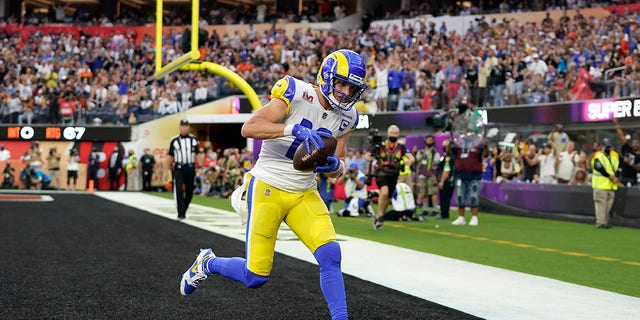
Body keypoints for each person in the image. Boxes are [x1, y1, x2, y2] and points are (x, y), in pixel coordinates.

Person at [178, 49, 367, 320]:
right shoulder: (296, 92)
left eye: (353, 88)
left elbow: (341, 157)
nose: (347, 92)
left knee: (330, 255)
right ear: (326, 77)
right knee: (255, 276)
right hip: (268, 185)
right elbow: (250, 127)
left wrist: (336, 166)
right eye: (342, 83)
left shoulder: (348, 116)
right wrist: (292, 129)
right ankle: (207, 263)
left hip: (304, 192)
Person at [366, 124, 415, 230]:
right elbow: (368, 155)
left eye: (396, 133)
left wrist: (406, 163)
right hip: (381, 173)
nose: (394, 135)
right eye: (392, 133)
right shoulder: (381, 146)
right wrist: (370, 157)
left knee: (388, 199)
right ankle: (379, 216)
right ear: (388, 134)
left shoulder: (401, 147)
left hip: (394, 174)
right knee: (384, 192)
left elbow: (411, 158)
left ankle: (380, 216)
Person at [168, 119, 199, 220]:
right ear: (180, 127)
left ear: (188, 127)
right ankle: (180, 213)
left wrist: (198, 166)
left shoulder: (194, 140)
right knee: (179, 189)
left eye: (186, 126)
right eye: (183, 126)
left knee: (190, 191)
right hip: (179, 167)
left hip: (190, 167)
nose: (185, 128)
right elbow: (170, 156)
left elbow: (197, 154)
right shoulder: (174, 140)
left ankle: (183, 209)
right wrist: (167, 169)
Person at [451, 135, 484, 226]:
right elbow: (449, 151)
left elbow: (485, 154)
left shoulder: (478, 145)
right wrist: (451, 142)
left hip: (474, 175)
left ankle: (474, 217)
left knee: (474, 197)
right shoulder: (458, 145)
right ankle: (461, 217)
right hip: (461, 175)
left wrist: (484, 145)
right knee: (460, 197)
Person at [591, 138, 620, 229]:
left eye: (609, 146)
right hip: (600, 185)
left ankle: (605, 222)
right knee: (601, 205)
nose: (608, 148)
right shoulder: (597, 155)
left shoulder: (614, 157)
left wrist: (616, 177)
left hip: (611, 186)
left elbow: (616, 169)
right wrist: (609, 176)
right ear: (602, 147)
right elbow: (598, 167)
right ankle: (600, 223)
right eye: (606, 146)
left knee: (607, 207)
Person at [415, 135, 440, 216]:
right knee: (424, 193)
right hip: (422, 174)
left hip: (431, 174)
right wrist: (414, 153)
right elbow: (416, 161)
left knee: (432, 192)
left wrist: (435, 174)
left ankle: (435, 209)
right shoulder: (421, 151)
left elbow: (437, 162)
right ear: (425, 141)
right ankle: (425, 209)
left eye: (431, 140)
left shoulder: (434, 152)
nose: (429, 141)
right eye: (428, 140)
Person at [437, 139, 455, 219]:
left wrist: (442, 181)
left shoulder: (448, 157)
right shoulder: (451, 156)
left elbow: (446, 170)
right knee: (447, 197)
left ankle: (444, 214)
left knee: (444, 197)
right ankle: (445, 213)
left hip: (446, 180)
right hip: (451, 180)